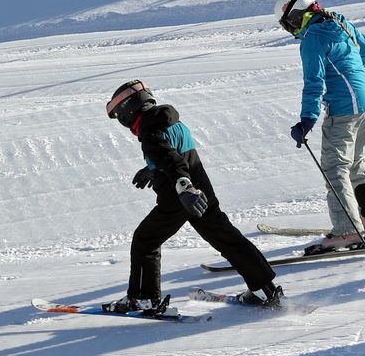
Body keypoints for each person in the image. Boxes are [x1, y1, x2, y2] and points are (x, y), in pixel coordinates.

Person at [104, 79, 283, 310]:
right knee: (226, 237)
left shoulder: (150, 130)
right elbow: (174, 154)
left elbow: (171, 160)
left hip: (180, 197)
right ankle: (264, 290)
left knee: (145, 240)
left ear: (127, 111)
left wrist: (183, 186)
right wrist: (153, 168)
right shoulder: (172, 121)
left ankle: (142, 298)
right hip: (202, 191)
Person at [275, 0, 365, 255]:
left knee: (335, 168)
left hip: (345, 108)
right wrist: (348, 66)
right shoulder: (337, 19)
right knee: (354, 160)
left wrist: (306, 120)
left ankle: (347, 231)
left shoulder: (313, 38)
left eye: (287, 22)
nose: (290, 29)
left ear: (295, 15)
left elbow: (313, 83)